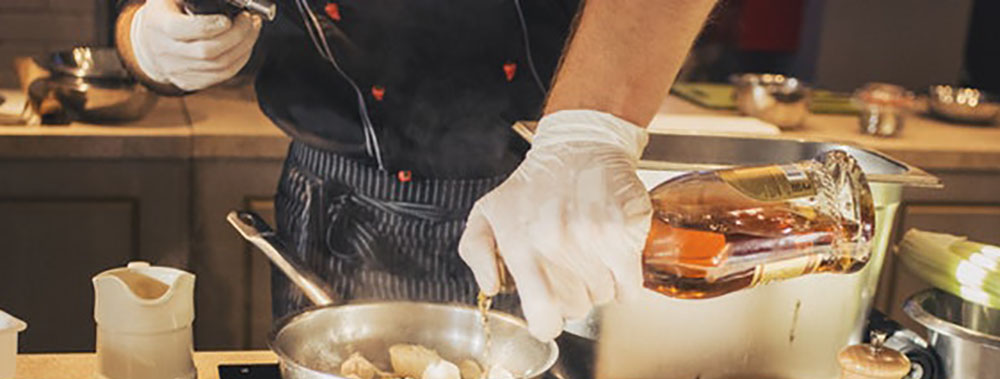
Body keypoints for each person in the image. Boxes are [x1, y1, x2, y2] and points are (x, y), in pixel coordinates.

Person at [116, 0, 717, 341]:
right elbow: (139, 12)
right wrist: (149, 40)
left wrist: (590, 126)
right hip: (332, 200)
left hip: (544, 196)